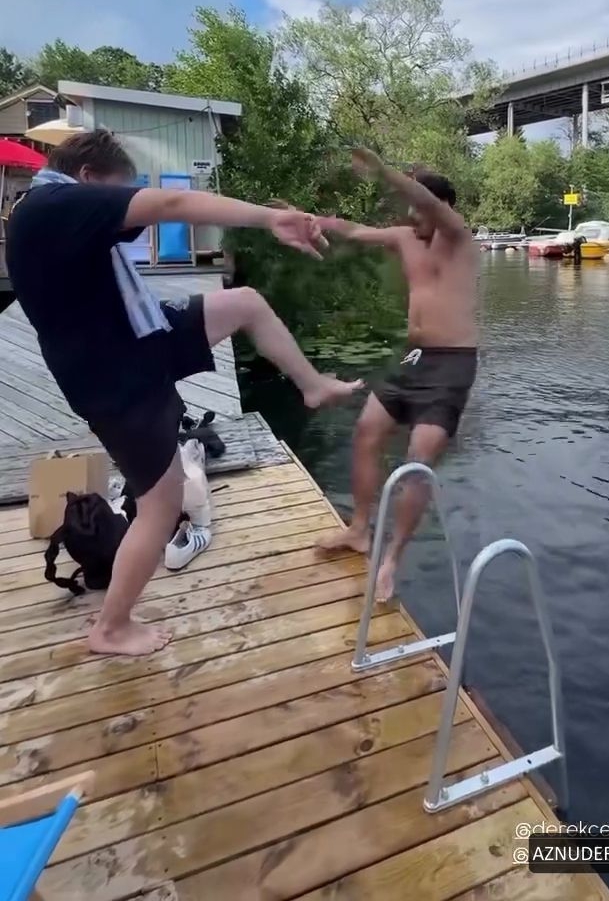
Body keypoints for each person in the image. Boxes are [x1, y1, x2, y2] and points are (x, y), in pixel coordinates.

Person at [6, 129, 362, 657]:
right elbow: (170, 204)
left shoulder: (47, 207)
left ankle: (311, 387)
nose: (126, 209)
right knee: (161, 504)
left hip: (137, 337)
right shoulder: (58, 206)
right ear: (89, 178)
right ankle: (110, 628)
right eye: (119, 192)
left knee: (244, 302)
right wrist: (270, 219)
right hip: (116, 377)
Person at [317, 147, 477, 600]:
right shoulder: (406, 237)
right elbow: (355, 230)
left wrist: (384, 172)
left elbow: (426, 202)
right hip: (413, 356)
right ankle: (359, 530)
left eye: (419, 209)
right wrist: (309, 220)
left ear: (441, 207)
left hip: (453, 361)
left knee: (417, 460)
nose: (411, 218)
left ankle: (390, 560)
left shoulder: (458, 236)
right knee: (366, 430)